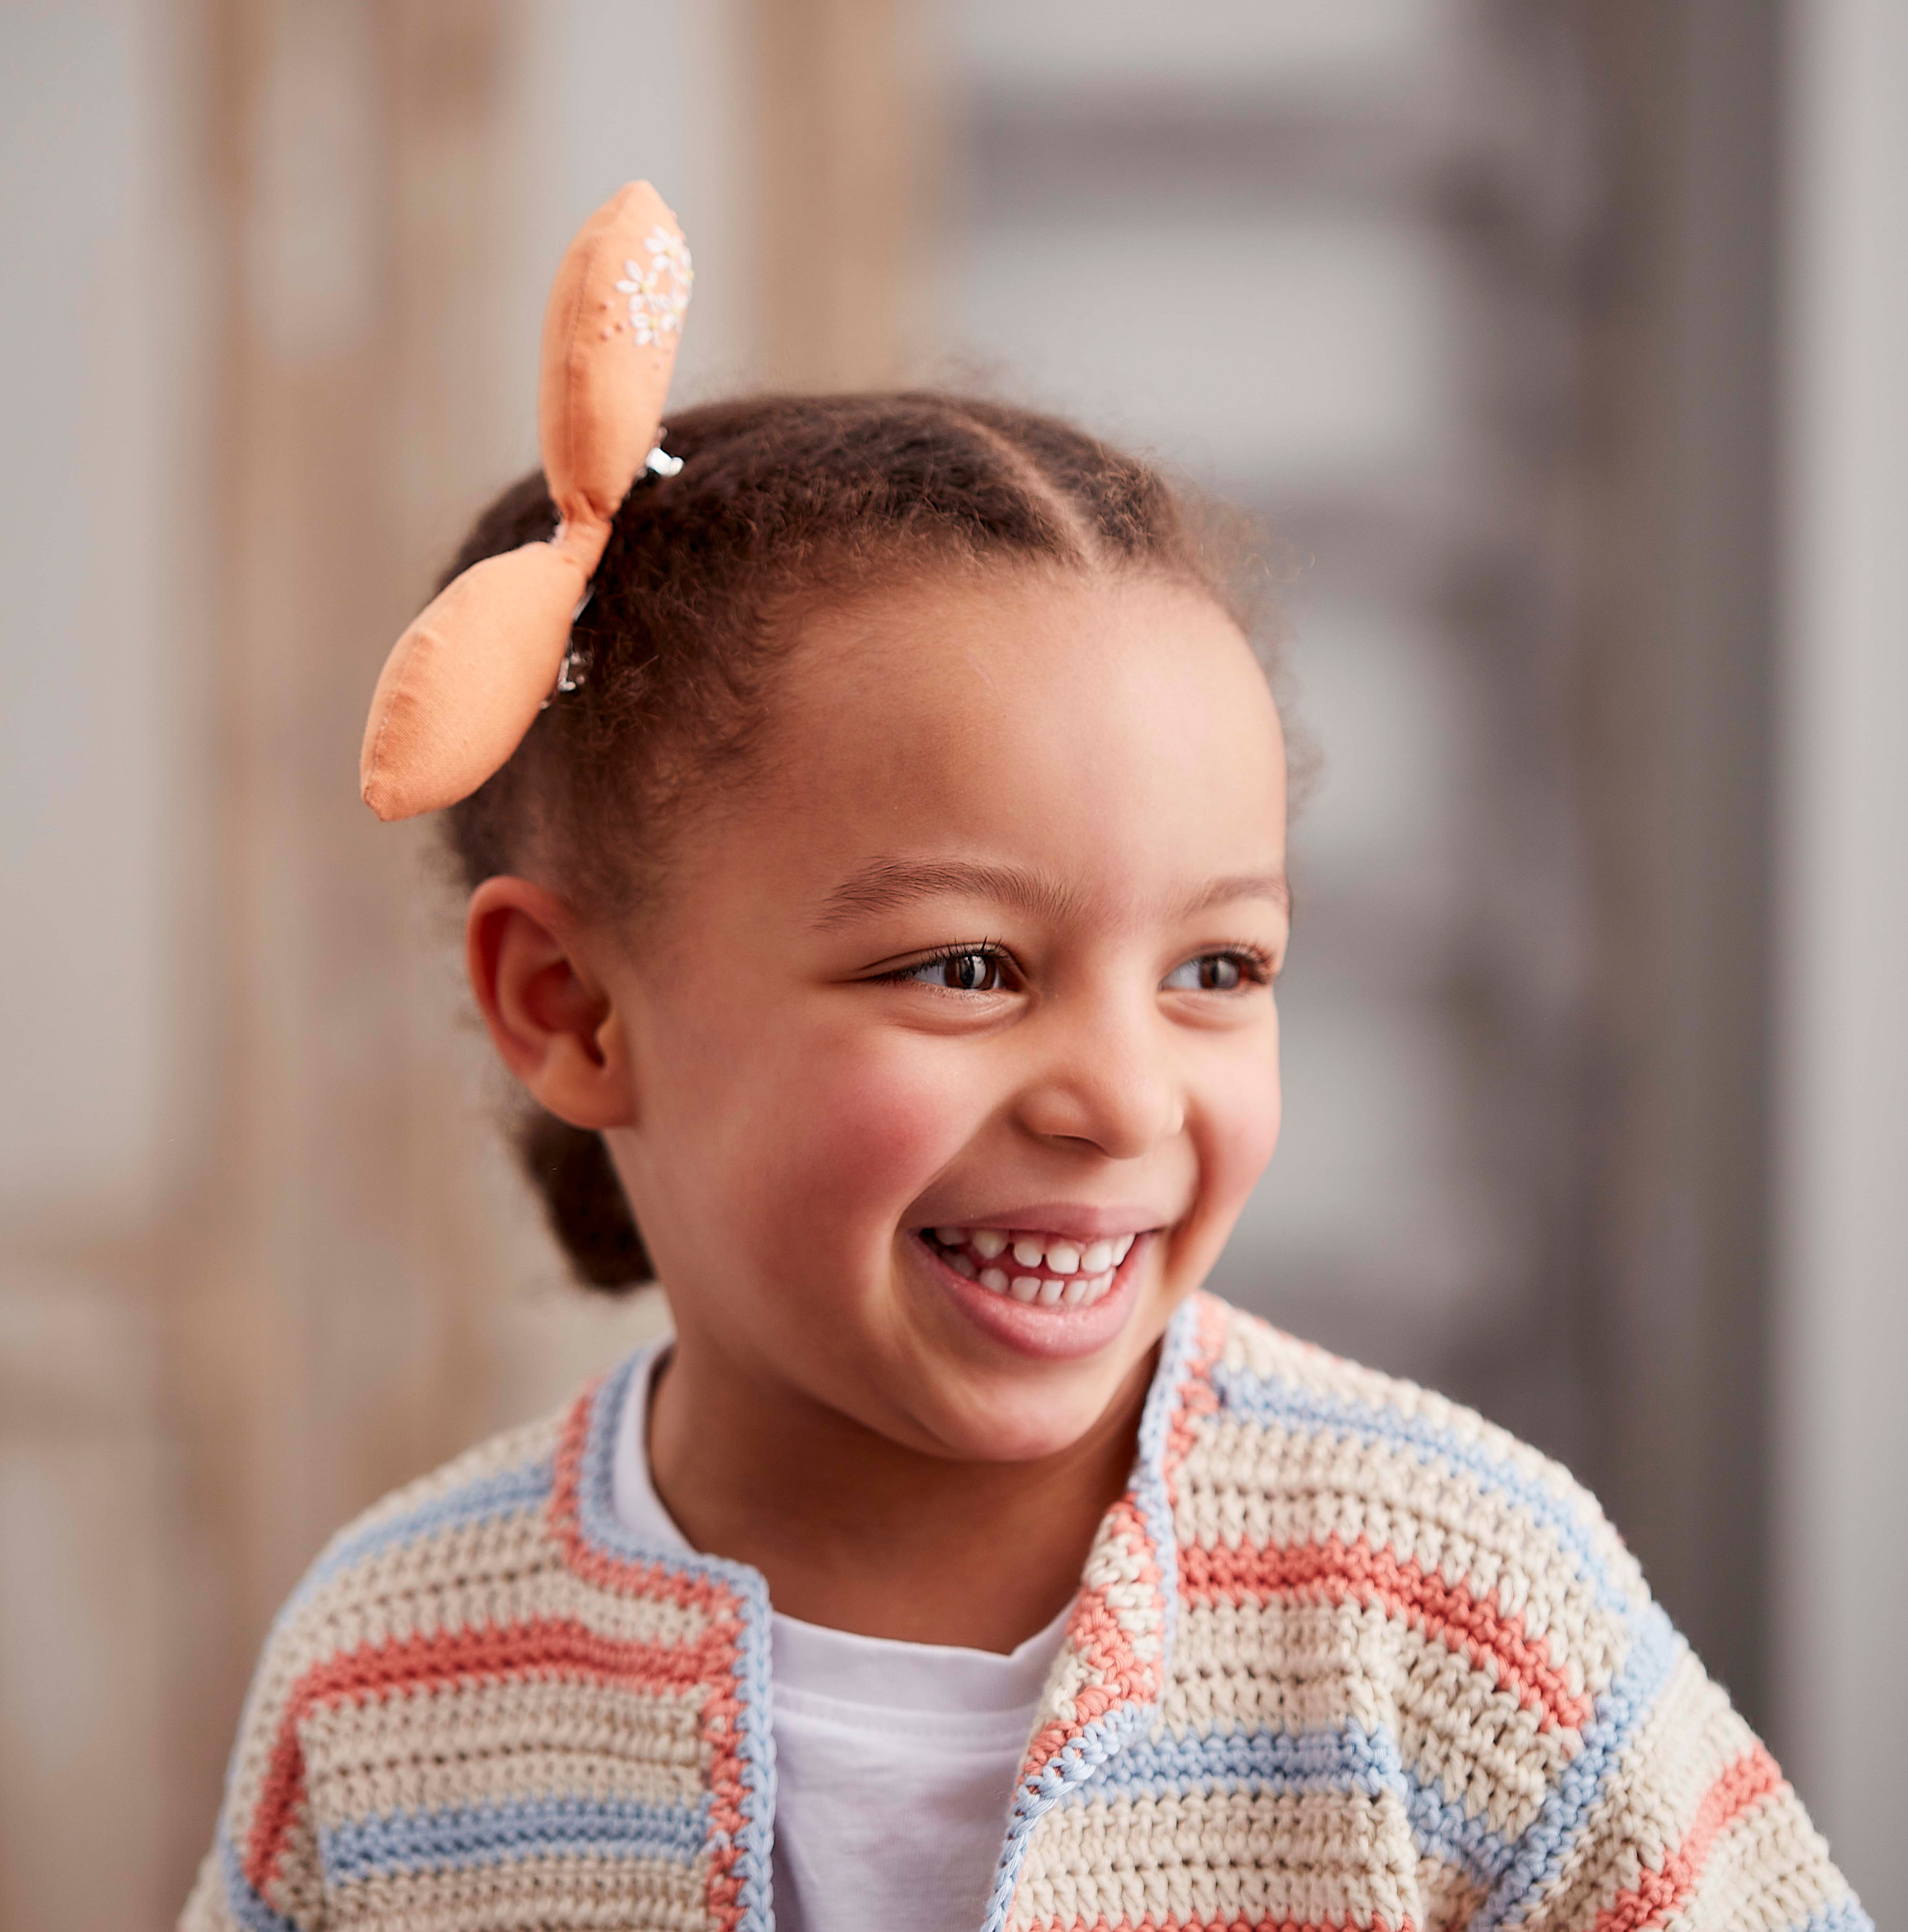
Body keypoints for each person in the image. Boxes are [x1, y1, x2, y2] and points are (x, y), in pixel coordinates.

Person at [182, 188, 1869, 1932]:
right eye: (970, 967)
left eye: (1216, 966)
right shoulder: (385, 1687)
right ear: (571, 1006)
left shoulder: (1456, 1611)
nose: (1125, 1099)